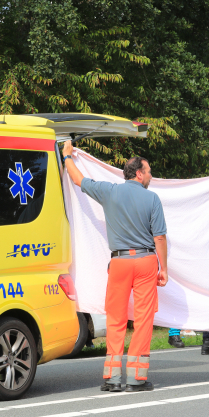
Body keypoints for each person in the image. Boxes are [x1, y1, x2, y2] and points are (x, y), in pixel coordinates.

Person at [61, 141, 167, 392]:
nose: (151, 176)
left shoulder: (109, 191)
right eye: (149, 171)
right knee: (142, 319)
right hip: (145, 262)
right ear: (139, 174)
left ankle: (111, 378)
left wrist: (67, 157)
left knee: (116, 318)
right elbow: (159, 237)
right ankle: (136, 378)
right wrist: (164, 268)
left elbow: (78, 180)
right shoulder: (152, 199)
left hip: (119, 263)